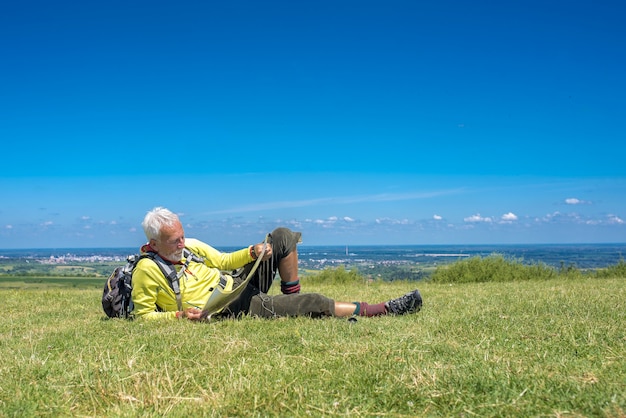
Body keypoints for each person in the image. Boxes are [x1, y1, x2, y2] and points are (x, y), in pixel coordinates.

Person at [131, 207, 423, 321]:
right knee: (316, 300)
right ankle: (384, 309)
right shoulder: (148, 270)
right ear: (154, 243)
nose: (182, 244)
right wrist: (180, 316)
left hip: (236, 285)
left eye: (182, 236)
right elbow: (143, 316)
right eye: (174, 241)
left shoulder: (189, 246)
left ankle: (290, 301)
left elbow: (221, 261)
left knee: (282, 237)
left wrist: (253, 251)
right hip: (227, 308)